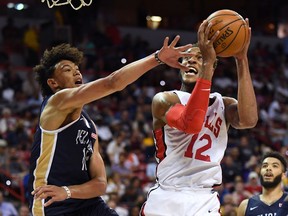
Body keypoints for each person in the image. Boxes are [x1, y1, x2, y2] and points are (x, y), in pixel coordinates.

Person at [27, 35, 193, 216]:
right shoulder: (55, 102)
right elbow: (112, 82)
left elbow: (100, 184)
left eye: (77, 69)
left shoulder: (90, 126)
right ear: (53, 83)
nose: (77, 73)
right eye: (68, 70)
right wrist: (157, 58)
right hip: (52, 206)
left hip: (88, 204)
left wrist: (67, 191)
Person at [140, 18, 258, 216]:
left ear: (213, 66)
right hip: (168, 196)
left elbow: (249, 121)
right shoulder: (165, 99)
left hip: (203, 199)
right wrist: (208, 61)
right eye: (186, 58)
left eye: (199, 57)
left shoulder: (224, 104)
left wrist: (241, 59)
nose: (190, 60)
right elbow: (191, 123)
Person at [237, 151, 288, 216]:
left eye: (275, 166)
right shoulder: (245, 206)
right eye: (265, 166)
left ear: (283, 175)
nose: (268, 168)